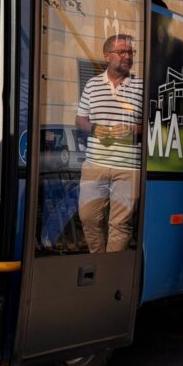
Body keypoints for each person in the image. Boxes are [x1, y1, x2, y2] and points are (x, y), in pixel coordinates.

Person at [75, 33, 144, 253]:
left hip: (129, 168)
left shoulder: (143, 86)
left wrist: (134, 129)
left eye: (130, 52)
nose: (127, 56)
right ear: (107, 56)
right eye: (121, 52)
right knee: (88, 218)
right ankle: (99, 263)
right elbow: (80, 120)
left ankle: (110, 274)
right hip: (95, 165)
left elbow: (153, 124)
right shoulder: (92, 84)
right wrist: (95, 128)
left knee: (120, 225)